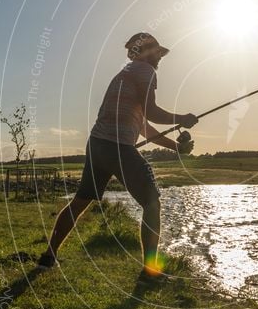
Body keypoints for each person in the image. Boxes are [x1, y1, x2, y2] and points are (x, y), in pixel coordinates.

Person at [37, 33, 197, 282]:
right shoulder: (145, 71)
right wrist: (182, 118)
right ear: (146, 52)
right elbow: (153, 112)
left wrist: (175, 148)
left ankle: (48, 256)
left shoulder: (123, 77)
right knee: (152, 202)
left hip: (97, 144)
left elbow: (143, 125)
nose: (160, 58)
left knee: (80, 201)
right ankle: (150, 272)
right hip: (118, 146)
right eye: (157, 52)